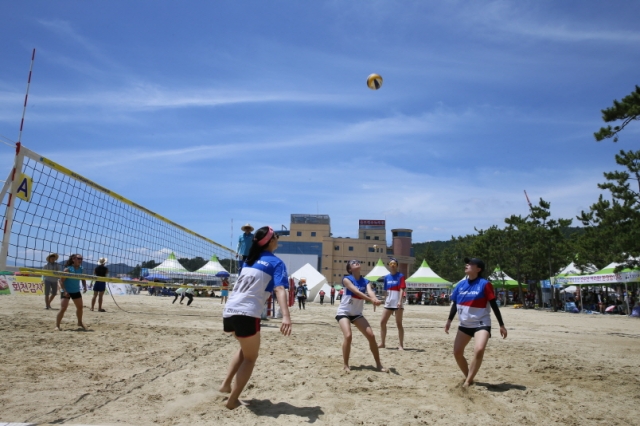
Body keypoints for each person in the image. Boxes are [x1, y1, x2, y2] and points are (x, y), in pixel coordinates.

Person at [220, 226, 291, 410]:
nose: (278, 238)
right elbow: (280, 289)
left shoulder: (249, 261)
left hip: (230, 310)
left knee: (244, 350)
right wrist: (286, 316)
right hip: (247, 312)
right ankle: (233, 400)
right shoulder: (276, 263)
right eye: (276, 236)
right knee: (251, 358)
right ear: (271, 241)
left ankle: (226, 385)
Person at [445, 258, 507, 387]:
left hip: (481, 323)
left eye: (471, 264)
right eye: (467, 263)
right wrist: (449, 320)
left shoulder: (484, 284)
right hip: (464, 325)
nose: (467, 265)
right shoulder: (460, 285)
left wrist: (501, 325)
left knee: (479, 349)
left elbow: (494, 305)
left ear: (479, 269)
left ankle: (467, 382)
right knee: (457, 352)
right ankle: (469, 375)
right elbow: (455, 304)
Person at [336, 259, 386, 373]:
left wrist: (375, 298)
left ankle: (378, 364)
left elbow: (370, 292)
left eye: (358, 262)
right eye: (353, 263)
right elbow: (357, 293)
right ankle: (346, 365)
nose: (357, 263)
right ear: (350, 269)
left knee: (371, 336)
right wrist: (371, 300)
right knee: (348, 336)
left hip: (357, 313)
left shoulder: (366, 281)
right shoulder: (347, 279)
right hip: (344, 312)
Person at [379, 258, 407, 350]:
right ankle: (382, 343)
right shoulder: (386, 277)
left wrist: (400, 301)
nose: (392, 265)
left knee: (399, 323)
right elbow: (386, 291)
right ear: (389, 265)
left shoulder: (400, 276)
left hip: (397, 302)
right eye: (391, 263)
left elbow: (402, 289)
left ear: (397, 265)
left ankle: (401, 345)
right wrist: (383, 300)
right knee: (382, 322)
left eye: (394, 263)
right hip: (388, 303)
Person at [56, 254, 87, 330]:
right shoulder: (68, 269)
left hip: (76, 291)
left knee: (80, 308)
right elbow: (61, 281)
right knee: (63, 308)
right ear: (73, 259)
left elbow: (83, 278)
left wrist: (84, 286)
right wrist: (64, 291)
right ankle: (57, 325)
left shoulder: (81, 269)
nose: (80, 260)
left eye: (81, 259)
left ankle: (79, 322)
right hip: (66, 291)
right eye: (78, 258)